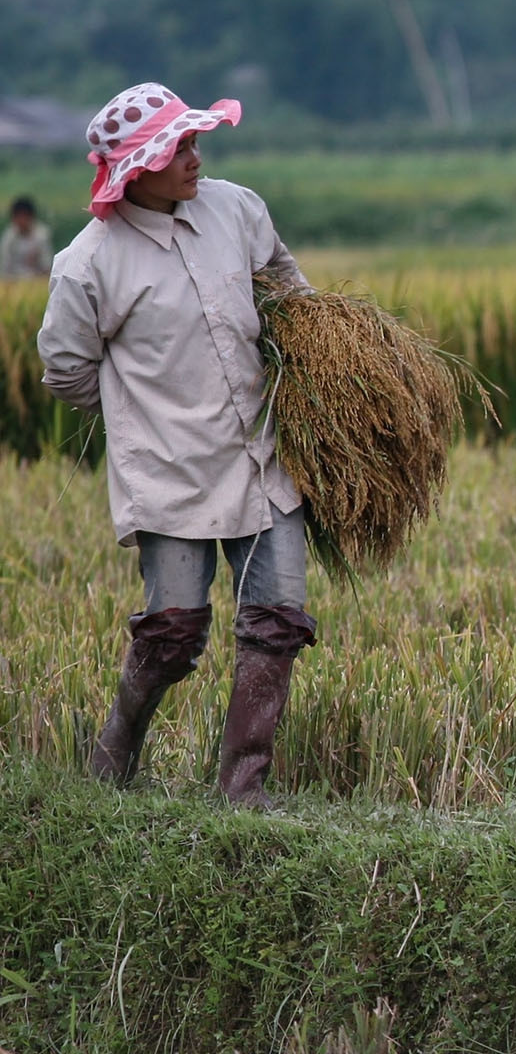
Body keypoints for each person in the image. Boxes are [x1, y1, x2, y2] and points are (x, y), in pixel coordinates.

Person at [37, 83, 316, 808]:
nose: (196, 157)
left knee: (278, 623)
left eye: (194, 142)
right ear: (137, 169)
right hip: (169, 474)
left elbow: (291, 293)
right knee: (172, 633)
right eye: (180, 148)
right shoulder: (89, 264)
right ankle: (117, 747)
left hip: (262, 459)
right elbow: (67, 371)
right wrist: (139, 415)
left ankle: (243, 789)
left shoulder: (236, 209)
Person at [2, 195, 53, 279]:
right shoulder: (9, 238)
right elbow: (6, 267)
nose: (21, 221)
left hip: (37, 280)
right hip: (14, 282)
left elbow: (47, 265)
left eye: (24, 216)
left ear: (31, 217)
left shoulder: (41, 235)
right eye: (18, 217)